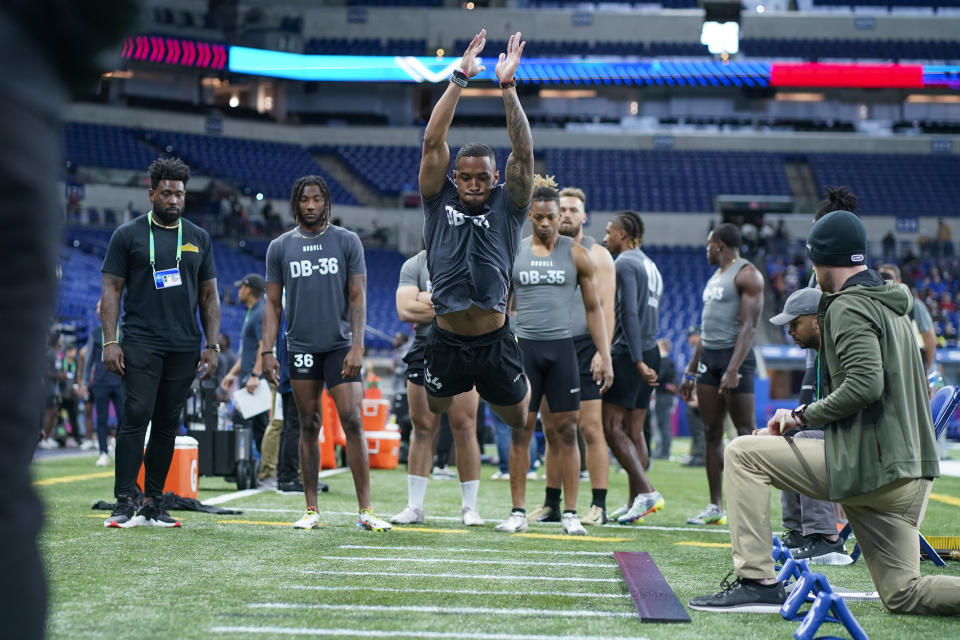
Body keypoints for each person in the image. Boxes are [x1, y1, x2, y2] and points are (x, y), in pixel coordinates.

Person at [690, 210, 960, 615]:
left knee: (743, 453)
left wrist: (799, 417)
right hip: (911, 476)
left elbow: (865, 385)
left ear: (819, 260)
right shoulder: (895, 305)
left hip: (873, 468)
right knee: (904, 593)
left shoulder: (847, 306)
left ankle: (757, 582)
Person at [417, 30, 536, 530]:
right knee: (438, 406)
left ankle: (517, 501)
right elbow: (431, 140)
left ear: (494, 178)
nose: (471, 184)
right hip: (445, 337)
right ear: (454, 177)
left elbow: (524, 155)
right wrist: (460, 78)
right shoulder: (436, 197)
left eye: (481, 177)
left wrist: (508, 89)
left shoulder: (510, 204)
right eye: (464, 177)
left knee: (516, 418)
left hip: (494, 340)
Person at [260, 175, 391, 531]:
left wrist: (358, 345)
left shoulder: (347, 241)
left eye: (317, 199)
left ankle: (366, 509)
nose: (312, 205)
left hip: (340, 346)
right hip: (300, 346)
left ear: (327, 202)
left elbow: (358, 295)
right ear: (296, 204)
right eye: (305, 200)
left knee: (352, 420)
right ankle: (311, 509)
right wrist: (266, 350)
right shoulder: (280, 247)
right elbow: (272, 304)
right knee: (308, 423)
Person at [101, 156, 222, 528]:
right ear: (151, 192)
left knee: (168, 423)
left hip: (184, 345)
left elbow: (209, 298)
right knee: (136, 416)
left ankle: (153, 502)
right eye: (166, 193)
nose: (173, 200)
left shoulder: (198, 238)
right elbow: (111, 290)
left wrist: (212, 346)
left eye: (179, 194)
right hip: (140, 341)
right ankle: (124, 501)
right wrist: (110, 341)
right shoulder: (128, 235)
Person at [499, 176, 613, 535]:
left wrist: (605, 354)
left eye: (551, 216)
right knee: (521, 430)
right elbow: (500, 303)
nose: (546, 223)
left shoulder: (577, 254)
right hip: (525, 350)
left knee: (566, 432)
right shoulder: (514, 251)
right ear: (529, 216)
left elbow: (595, 309)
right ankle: (517, 511)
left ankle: (571, 514)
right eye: (539, 217)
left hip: (563, 351)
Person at [392, 249, 485, 526]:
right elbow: (405, 310)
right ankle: (415, 507)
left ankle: (470, 507)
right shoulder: (415, 264)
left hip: (464, 345)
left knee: (465, 426)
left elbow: (475, 311)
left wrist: (428, 298)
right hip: (424, 345)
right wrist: (452, 304)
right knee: (422, 427)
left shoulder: (475, 259)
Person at [679, 223, 764, 526]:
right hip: (709, 360)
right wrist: (691, 372)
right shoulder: (716, 277)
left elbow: (749, 327)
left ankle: (751, 508)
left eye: (708, 244)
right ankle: (715, 506)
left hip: (735, 360)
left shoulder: (748, 274)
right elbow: (707, 329)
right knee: (711, 433)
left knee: (744, 433)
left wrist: (733, 369)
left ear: (718, 245)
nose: (705, 250)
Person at [547, 184, 617, 525]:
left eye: (573, 210)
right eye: (562, 209)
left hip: (587, 347)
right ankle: (551, 504)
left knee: (590, 428)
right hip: (553, 344)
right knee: (553, 429)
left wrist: (604, 354)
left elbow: (606, 308)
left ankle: (598, 506)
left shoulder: (598, 254)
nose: (567, 215)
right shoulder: (546, 251)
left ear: (584, 216)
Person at [769, 288, 851, 565]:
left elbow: (851, 405)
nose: (790, 331)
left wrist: (801, 416)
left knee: (803, 439)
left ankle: (827, 539)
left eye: (795, 323)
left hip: (869, 443)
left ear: (817, 320)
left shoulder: (841, 350)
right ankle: (801, 532)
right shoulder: (822, 354)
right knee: (791, 433)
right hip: (848, 435)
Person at [600, 211, 666, 525]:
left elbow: (628, 313)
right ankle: (636, 503)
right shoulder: (650, 264)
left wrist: (636, 359)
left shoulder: (624, 262)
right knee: (635, 430)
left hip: (630, 352)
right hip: (651, 348)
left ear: (623, 234)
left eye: (609, 231)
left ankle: (647, 491)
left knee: (610, 426)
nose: (605, 237)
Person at [221, 273, 275, 485]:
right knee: (259, 427)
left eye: (241, 287)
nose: (238, 291)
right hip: (251, 379)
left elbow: (264, 346)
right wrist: (232, 373)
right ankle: (263, 470)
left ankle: (251, 469)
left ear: (248, 288)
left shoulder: (260, 312)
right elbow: (247, 351)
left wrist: (255, 374)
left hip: (256, 382)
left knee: (243, 424)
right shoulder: (252, 312)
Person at [82, 301, 125, 467]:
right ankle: (103, 452)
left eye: (101, 307)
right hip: (100, 382)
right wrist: (85, 382)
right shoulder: (95, 333)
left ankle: (117, 444)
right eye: (98, 308)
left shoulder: (121, 331)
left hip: (119, 380)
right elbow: (88, 361)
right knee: (102, 419)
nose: (98, 310)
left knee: (123, 417)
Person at [877, 264, 937, 376]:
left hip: (912, 369)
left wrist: (926, 370)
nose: (885, 282)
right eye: (881, 278)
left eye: (889, 278)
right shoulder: (876, 305)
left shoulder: (914, 305)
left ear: (899, 281)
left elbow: (930, 339)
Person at [651, 338, 678, 460]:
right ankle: (662, 450)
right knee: (662, 424)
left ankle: (664, 451)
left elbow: (660, 377)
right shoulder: (669, 361)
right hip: (664, 396)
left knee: (663, 424)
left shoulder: (664, 361)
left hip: (663, 396)